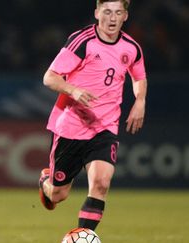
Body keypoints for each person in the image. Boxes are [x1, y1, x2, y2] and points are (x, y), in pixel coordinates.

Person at [38, 0, 147, 232]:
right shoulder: (83, 41)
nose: (112, 18)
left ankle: (84, 237)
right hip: (71, 126)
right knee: (58, 194)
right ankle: (45, 183)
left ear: (125, 16)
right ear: (97, 13)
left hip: (105, 127)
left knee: (100, 185)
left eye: (118, 12)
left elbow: (138, 77)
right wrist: (73, 90)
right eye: (107, 12)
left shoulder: (131, 47)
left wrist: (140, 100)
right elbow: (50, 77)